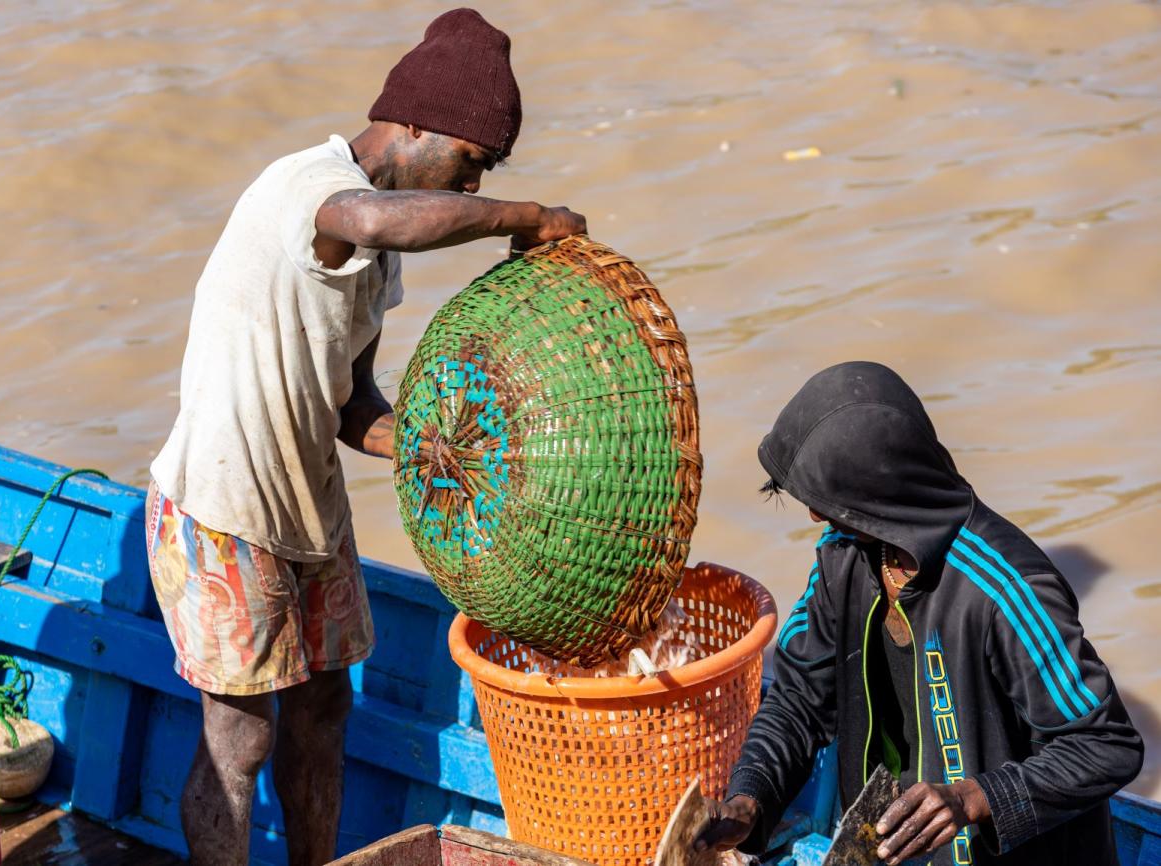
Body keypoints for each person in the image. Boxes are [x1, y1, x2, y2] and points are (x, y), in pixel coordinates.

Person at [144, 9, 586, 865]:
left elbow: (352, 407)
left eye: (482, 176)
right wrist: (522, 216)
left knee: (323, 714)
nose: (467, 188)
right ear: (415, 123)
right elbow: (378, 218)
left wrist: (422, 445)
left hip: (308, 508)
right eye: (469, 165)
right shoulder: (315, 187)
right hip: (224, 508)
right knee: (239, 743)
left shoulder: (375, 258)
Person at [695, 361, 1143, 865]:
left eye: (830, 504)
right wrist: (749, 798)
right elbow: (799, 697)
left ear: (876, 496)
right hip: (894, 845)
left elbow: (1107, 744)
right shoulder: (844, 554)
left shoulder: (1006, 588)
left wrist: (975, 798)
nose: (817, 516)